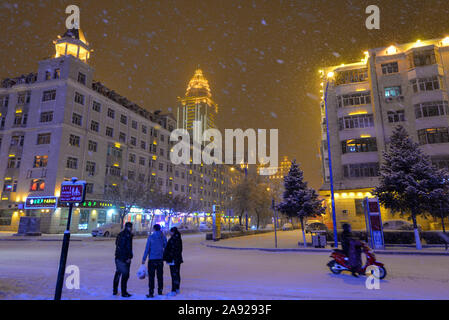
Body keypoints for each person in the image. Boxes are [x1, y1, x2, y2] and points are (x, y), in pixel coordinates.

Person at [142, 224, 167, 298]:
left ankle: (151, 292)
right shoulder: (163, 237)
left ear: (154, 229)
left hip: (152, 259)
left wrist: (144, 259)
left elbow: (147, 248)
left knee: (151, 277)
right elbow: (165, 246)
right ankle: (160, 291)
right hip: (160, 259)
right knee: (160, 276)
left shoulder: (151, 237)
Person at [113, 222, 133, 297]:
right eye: (131, 227)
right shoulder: (128, 235)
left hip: (118, 257)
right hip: (124, 258)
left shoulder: (120, 234)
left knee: (118, 273)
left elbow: (117, 244)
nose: (131, 229)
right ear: (129, 227)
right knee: (125, 275)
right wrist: (128, 257)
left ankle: (115, 291)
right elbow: (128, 247)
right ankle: (124, 292)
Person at [163, 227, 184, 296]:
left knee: (173, 275)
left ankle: (173, 290)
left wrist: (169, 256)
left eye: (171, 232)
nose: (170, 233)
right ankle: (177, 288)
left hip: (173, 259)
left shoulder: (173, 239)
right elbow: (180, 249)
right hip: (178, 259)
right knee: (177, 274)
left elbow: (171, 249)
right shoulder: (178, 238)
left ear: (173, 232)